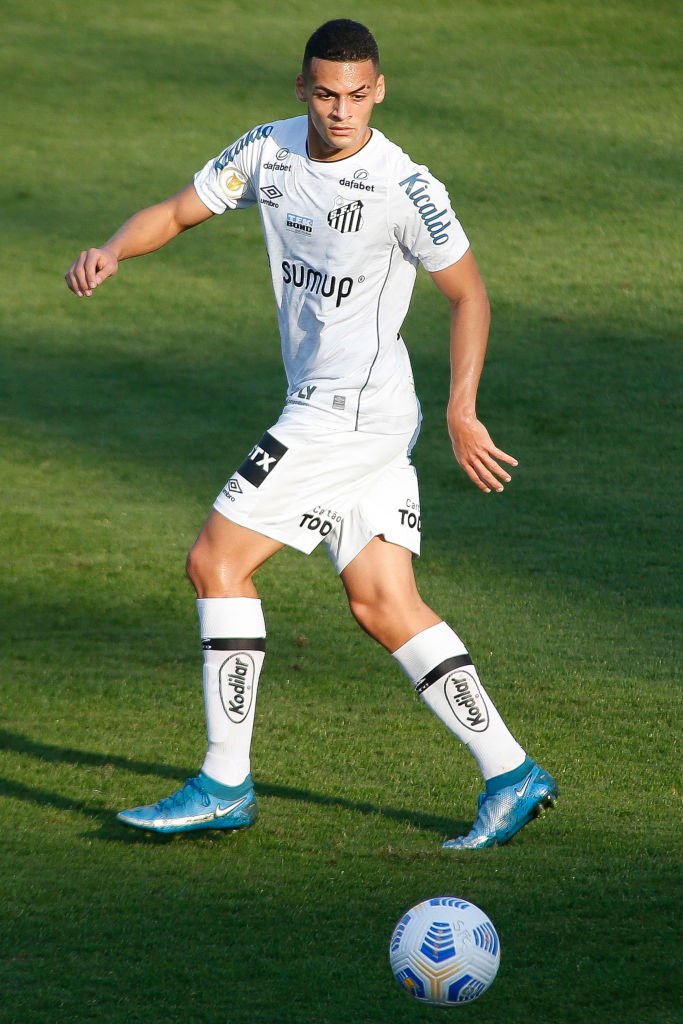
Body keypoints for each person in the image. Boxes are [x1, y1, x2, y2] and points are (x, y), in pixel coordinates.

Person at [65, 19, 558, 849]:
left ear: (379, 91)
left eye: (357, 96)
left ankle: (225, 781)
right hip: (355, 410)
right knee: (383, 603)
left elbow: (467, 295)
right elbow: (179, 211)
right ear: (303, 90)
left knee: (216, 562)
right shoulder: (268, 150)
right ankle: (511, 773)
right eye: (326, 94)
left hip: (346, 415)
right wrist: (114, 249)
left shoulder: (404, 186)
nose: (341, 111)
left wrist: (461, 409)